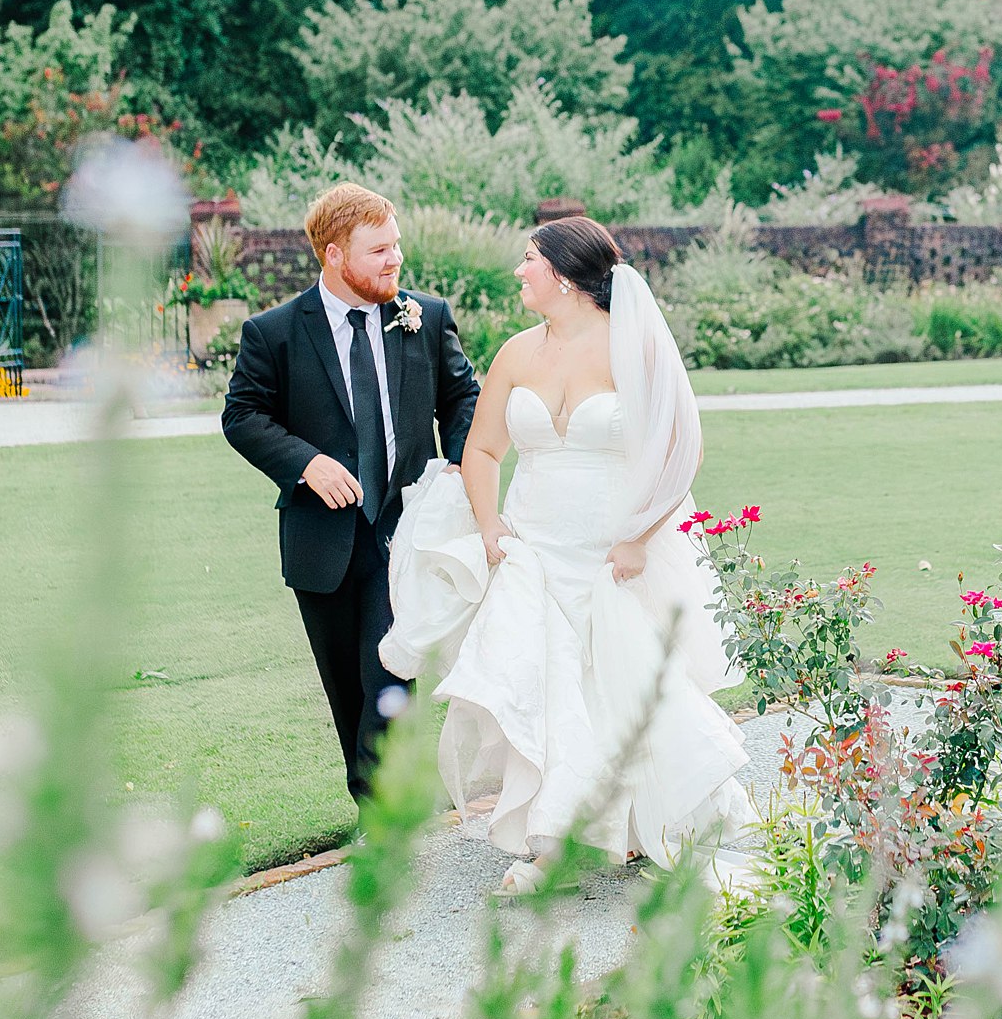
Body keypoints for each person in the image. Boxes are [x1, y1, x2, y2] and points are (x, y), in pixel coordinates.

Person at [380, 215, 750, 892]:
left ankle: (648, 824)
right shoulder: (517, 353)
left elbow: (682, 447)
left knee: (626, 686)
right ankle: (551, 841)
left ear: (567, 275)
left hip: (612, 551)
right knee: (546, 691)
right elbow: (484, 448)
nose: (519, 271)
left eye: (529, 259)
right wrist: (490, 526)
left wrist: (638, 537)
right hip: (533, 548)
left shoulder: (631, 348)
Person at [222, 183, 479, 802]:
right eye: (378, 250)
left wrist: (459, 466)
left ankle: (380, 815)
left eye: (396, 246)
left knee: (389, 668)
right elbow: (243, 416)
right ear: (333, 255)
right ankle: (375, 800)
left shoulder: (426, 316)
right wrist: (306, 463)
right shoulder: (274, 333)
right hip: (323, 540)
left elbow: (463, 396)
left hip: (407, 531)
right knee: (347, 685)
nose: (394, 261)